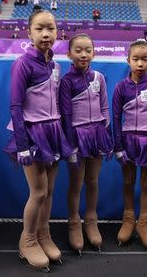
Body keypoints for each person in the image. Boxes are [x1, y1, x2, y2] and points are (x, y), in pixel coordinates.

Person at [4, 10, 73, 271]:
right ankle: (28, 239)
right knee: (39, 191)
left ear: (57, 32)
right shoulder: (23, 63)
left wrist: (64, 136)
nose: (46, 34)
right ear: (29, 33)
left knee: (50, 191)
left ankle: (44, 235)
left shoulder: (55, 65)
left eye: (51, 29)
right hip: (32, 133)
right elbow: (15, 105)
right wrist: (22, 144)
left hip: (53, 133)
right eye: (40, 29)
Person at [59, 34, 113, 254]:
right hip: (77, 137)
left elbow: (105, 108)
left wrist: (104, 133)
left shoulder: (99, 77)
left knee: (93, 181)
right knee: (77, 183)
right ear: (69, 54)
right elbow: (65, 114)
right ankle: (74, 221)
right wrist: (71, 145)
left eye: (88, 50)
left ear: (94, 52)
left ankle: (91, 219)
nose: (83, 54)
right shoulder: (66, 81)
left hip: (97, 134)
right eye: (78, 50)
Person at [112, 40, 147, 251]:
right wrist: (118, 146)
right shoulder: (120, 87)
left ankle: (144, 221)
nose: (140, 64)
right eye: (135, 59)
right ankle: (128, 218)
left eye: (144, 59)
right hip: (127, 141)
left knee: (146, 184)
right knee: (127, 182)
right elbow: (116, 118)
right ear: (128, 61)